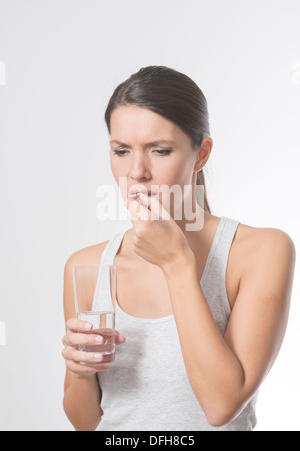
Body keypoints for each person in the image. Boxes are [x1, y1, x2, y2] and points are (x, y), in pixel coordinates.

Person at [62, 65, 296, 431]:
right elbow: (87, 424)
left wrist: (176, 263)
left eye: (160, 150)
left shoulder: (261, 251)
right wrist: (79, 372)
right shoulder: (89, 266)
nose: (137, 172)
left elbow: (221, 406)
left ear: (201, 154)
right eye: (121, 150)